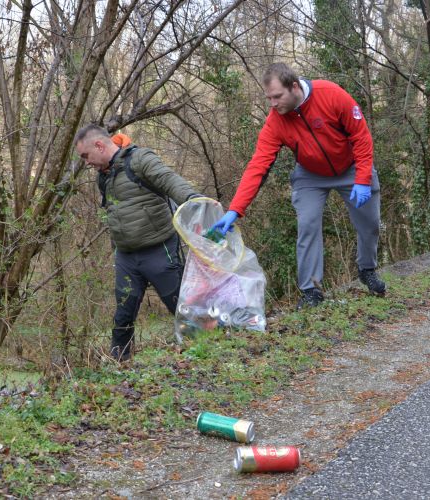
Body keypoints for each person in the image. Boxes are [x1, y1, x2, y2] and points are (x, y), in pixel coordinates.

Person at [211, 63, 386, 308]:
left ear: (294, 87)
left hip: (351, 167)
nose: (273, 103)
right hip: (310, 175)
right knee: (308, 224)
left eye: (277, 96)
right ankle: (311, 291)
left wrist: (363, 178)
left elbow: (361, 136)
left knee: (369, 223)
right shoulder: (275, 122)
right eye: (269, 98)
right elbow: (258, 167)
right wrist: (234, 210)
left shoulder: (331, 94)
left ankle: (367, 269)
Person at [75, 125, 202, 361]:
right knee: (123, 315)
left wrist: (195, 201)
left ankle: (210, 349)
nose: (86, 163)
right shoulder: (104, 176)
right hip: (126, 257)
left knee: (181, 307)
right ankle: (119, 365)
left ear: (99, 145)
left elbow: (169, 181)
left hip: (159, 249)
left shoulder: (140, 159)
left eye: (85, 156)